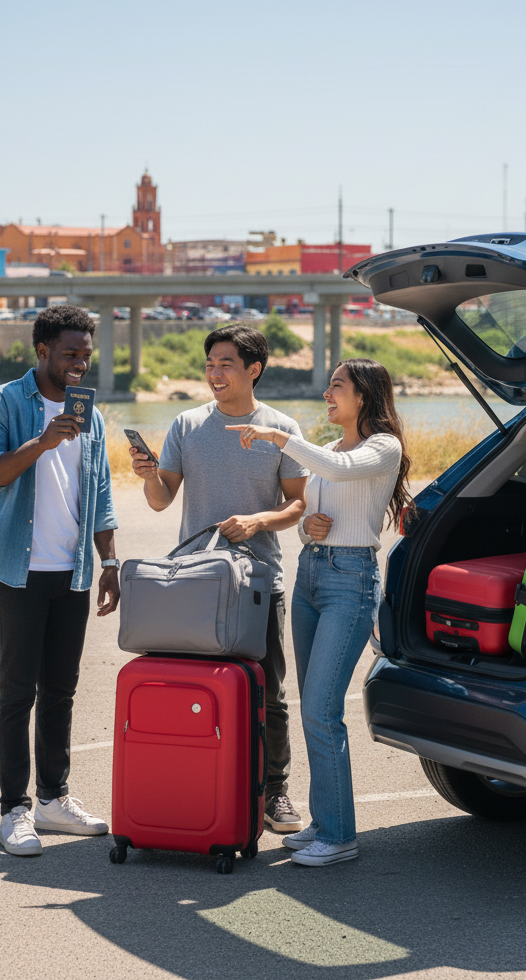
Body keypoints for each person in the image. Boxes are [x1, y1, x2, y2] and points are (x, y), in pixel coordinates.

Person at [227, 358, 411, 865]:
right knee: (315, 709)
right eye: (329, 386)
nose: (328, 394)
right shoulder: (329, 448)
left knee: (320, 711)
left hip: (350, 582)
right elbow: (311, 507)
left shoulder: (381, 447)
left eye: (337, 386)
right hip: (311, 574)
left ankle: (339, 836)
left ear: (365, 396)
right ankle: (325, 823)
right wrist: (311, 528)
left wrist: (275, 437)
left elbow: (339, 472)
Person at [130, 324, 309, 833]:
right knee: (194, 688)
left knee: (268, 693)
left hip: (259, 584)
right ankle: (197, 784)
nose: (214, 373)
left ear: (254, 369)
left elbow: (297, 504)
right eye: (209, 364)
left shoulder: (280, 427)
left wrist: (256, 522)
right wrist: (149, 477)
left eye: (225, 363)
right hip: (196, 582)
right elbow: (163, 500)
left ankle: (276, 794)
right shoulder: (187, 425)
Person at [0, 305, 120, 856]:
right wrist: (42, 443)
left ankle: (54, 800)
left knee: (61, 689)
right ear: (42, 351)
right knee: (16, 690)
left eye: (85, 354)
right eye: (69, 353)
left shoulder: (90, 414)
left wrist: (109, 560)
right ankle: (15, 810)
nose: (79, 364)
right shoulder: (3, 403)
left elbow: (98, 491)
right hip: (16, 568)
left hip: (73, 570)